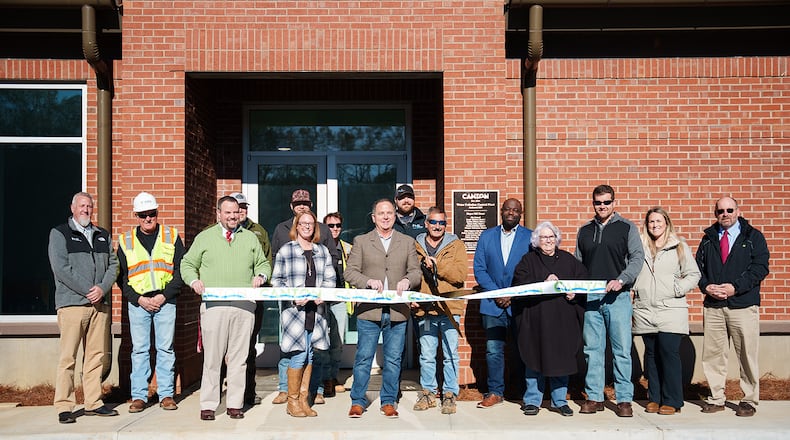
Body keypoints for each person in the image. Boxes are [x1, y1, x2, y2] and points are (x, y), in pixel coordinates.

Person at [180, 195, 272, 421]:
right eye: (228, 212)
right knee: (213, 357)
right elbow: (187, 263)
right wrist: (194, 281)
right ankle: (209, 404)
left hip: (244, 306)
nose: (233, 216)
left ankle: (235, 404)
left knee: (239, 358)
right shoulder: (205, 237)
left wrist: (261, 275)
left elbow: (263, 263)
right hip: (214, 306)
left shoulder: (250, 238)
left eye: (236, 212)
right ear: (218, 213)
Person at [344, 198, 422, 419]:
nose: (386, 217)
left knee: (393, 359)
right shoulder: (361, 241)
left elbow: (416, 272)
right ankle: (358, 401)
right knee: (363, 358)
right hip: (370, 310)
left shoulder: (406, 242)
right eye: (381, 213)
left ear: (395, 216)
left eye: (389, 213)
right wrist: (368, 281)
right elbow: (350, 272)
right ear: (373, 217)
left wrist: (408, 280)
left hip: (397, 311)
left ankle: (388, 401)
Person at [48, 191, 120, 424]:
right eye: (81, 206)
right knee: (68, 357)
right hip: (72, 304)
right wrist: (88, 290)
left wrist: (102, 288)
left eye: (89, 206)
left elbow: (114, 264)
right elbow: (61, 268)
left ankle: (93, 402)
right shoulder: (60, 233)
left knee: (95, 356)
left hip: (100, 305)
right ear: (72, 208)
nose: (86, 210)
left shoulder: (102, 235)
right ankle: (65, 406)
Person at [696, 197, 769, 417]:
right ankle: (717, 397)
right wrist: (706, 286)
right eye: (720, 211)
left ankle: (749, 400)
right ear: (715, 213)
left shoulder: (753, 237)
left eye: (729, 210)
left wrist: (734, 288)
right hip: (713, 307)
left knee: (746, 354)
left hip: (742, 305)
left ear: (738, 211)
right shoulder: (708, 239)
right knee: (713, 355)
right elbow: (697, 269)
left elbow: (760, 268)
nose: (724, 214)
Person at [575, 184, 644, 417]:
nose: (602, 206)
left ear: (614, 203)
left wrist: (622, 280)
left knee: (621, 350)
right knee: (593, 350)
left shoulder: (627, 228)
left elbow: (637, 258)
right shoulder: (584, 230)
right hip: (592, 298)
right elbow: (578, 264)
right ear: (593, 203)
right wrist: (575, 288)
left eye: (606, 202)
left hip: (618, 297)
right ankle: (594, 397)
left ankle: (624, 399)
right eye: (598, 202)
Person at [117, 192, 185, 413]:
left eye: (152, 214)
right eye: (143, 215)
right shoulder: (125, 241)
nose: (148, 218)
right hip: (139, 303)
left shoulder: (171, 235)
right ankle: (139, 396)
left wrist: (163, 296)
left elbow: (180, 270)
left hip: (166, 300)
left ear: (157, 212)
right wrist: (139, 299)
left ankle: (166, 394)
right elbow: (122, 278)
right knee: (140, 350)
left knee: (165, 349)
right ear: (135, 215)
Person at [511, 221, 587, 417]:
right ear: (537, 240)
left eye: (551, 236)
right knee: (533, 358)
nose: (547, 240)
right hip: (536, 321)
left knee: (561, 359)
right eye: (543, 237)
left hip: (563, 322)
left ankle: (559, 400)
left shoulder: (569, 261)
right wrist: (543, 284)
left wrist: (575, 295)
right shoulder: (528, 261)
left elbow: (583, 283)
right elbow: (519, 285)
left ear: (557, 239)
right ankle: (532, 401)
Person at [270, 189, 339, 405]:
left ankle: (306, 397)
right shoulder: (285, 249)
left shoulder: (322, 251)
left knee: (313, 354)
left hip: (316, 310)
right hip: (294, 311)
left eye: (311, 224)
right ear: (296, 226)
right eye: (303, 224)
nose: (307, 226)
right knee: (297, 353)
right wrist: (292, 298)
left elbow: (330, 277)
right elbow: (277, 279)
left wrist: (323, 296)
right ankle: (292, 399)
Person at [632, 207, 701, 415]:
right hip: (645, 309)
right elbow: (632, 272)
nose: (655, 225)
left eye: (658, 221)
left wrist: (677, 288)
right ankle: (655, 398)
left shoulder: (679, 247)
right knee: (651, 355)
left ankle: (672, 400)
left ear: (666, 223)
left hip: (671, 309)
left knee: (669, 353)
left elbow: (693, 274)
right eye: (651, 222)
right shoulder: (639, 247)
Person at [473, 198, 532, 408]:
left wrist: (513, 295)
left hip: (519, 305)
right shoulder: (487, 236)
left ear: (521, 213)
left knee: (522, 349)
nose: (511, 212)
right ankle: (495, 391)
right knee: (493, 350)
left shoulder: (530, 237)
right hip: (492, 304)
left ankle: (522, 392)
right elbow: (479, 269)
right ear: (501, 211)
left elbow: (531, 271)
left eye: (516, 210)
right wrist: (497, 292)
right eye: (508, 209)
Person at [411, 207, 467, 415]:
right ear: (426, 223)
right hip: (425, 309)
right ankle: (428, 393)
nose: (437, 226)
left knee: (451, 353)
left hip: (450, 309)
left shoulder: (456, 245)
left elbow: (460, 275)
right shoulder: (415, 245)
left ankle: (450, 394)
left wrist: (437, 266)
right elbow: (410, 273)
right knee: (426, 354)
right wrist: (411, 298)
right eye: (433, 222)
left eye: (441, 223)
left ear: (446, 225)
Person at [229, 192, 273, 406]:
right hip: (225, 301)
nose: (241, 211)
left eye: (244, 206)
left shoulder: (259, 232)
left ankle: (248, 392)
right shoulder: (213, 233)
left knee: (248, 347)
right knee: (221, 350)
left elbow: (267, 261)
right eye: (237, 207)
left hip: (253, 300)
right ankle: (220, 394)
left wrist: (262, 280)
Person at [323, 212, 354, 396]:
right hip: (321, 300)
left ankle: (332, 377)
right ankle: (322, 378)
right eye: (330, 225)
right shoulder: (318, 247)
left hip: (340, 300)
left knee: (337, 342)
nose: (334, 229)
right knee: (321, 342)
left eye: (338, 225)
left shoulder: (347, 248)